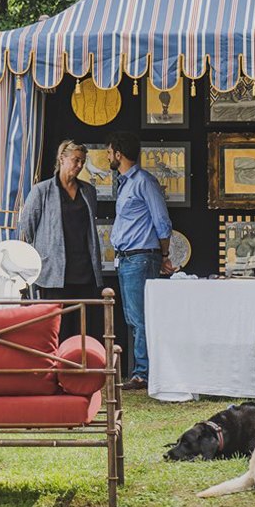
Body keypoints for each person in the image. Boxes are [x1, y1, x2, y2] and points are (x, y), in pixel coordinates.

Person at [17, 140, 103, 341]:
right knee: (56, 326)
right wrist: (45, 250)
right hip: (54, 270)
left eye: (82, 161)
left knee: (82, 325)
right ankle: (56, 368)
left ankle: (79, 367)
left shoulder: (88, 191)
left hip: (84, 268)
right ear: (62, 159)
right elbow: (27, 225)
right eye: (75, 160)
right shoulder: (42, 190)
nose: (80, 165)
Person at [109, 134, 174, 389]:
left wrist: (165, 255)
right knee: (133, 317)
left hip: (140, 256)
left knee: (141, 318)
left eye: (109, 151)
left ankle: (143, 374)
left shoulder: (143, 182)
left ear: (118, 153)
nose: (107, 156)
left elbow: (162, 220)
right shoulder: (125, 183)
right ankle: (141, 371)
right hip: (127, 258)